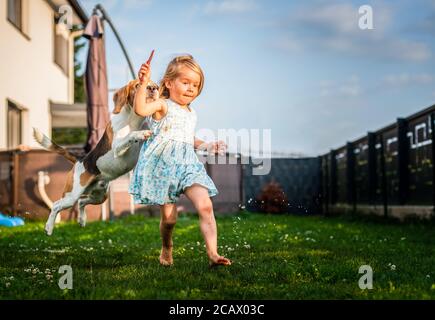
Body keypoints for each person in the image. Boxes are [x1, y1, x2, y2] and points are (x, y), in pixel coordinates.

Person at [129, 54, 231, 267]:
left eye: (195, 84)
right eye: (186, 83)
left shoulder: (191, 113)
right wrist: (143, 83)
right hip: (164, 167)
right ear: (168, 83)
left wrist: (208, 146)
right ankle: (167, 247)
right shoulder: (162, 105)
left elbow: (187, 138)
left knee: (205, 205)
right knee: (169, 220)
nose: (192, 88)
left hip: (188, 165)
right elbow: (140, 109)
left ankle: (213, 254)